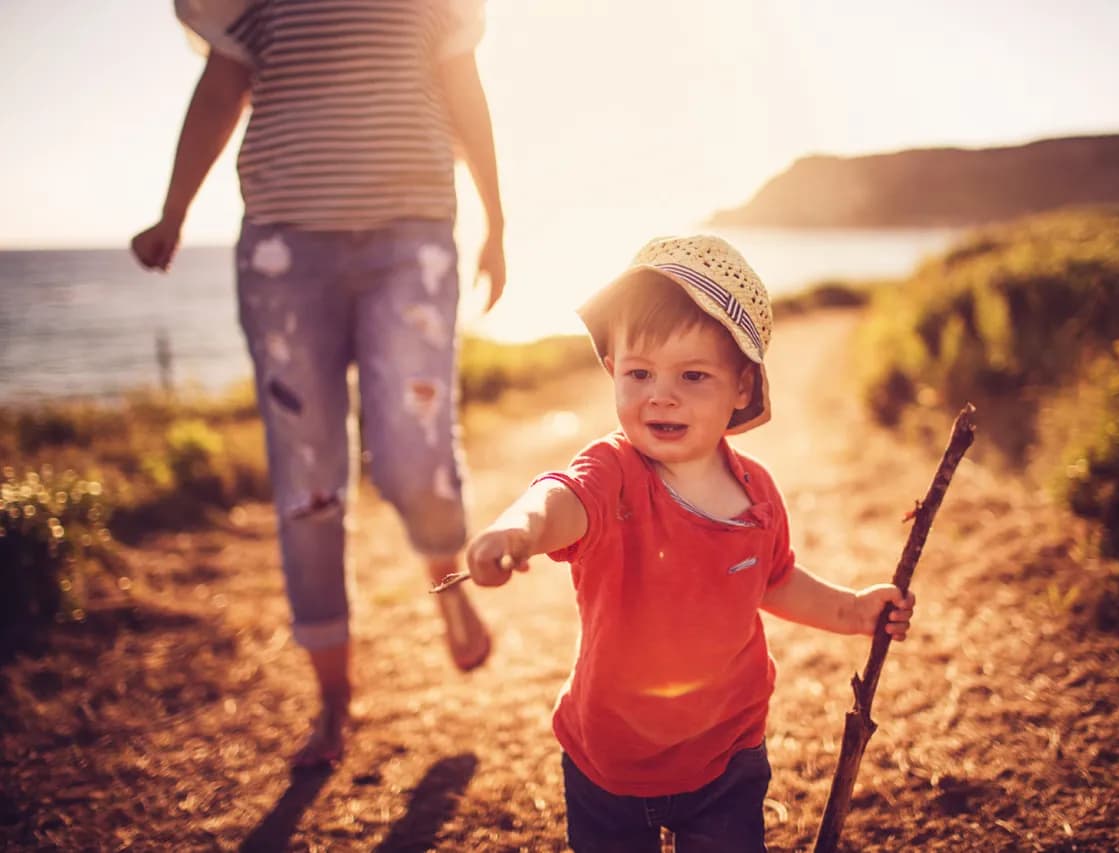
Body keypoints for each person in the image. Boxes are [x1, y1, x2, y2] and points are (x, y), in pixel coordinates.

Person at [131, 0, 506, 768]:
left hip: (413, 242)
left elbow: (465, 92)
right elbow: (218, 93)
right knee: (308, 478)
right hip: (285, 253)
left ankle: (446, 578)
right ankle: (333, 699)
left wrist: (498, 222)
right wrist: (173, 211)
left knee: (412, 450)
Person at [464, 235, 915, 850]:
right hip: (610, 764)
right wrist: (519, 529)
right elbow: (559, 498)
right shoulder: (614, 473)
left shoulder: (756, 493)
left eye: (693, 375)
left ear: (742, 388)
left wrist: (853, 610)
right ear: (612, 372)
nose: (660, 394)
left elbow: (776, 580)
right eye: (639, 372)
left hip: (727, 756)